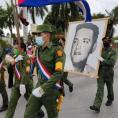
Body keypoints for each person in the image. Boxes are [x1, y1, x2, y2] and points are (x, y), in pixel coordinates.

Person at [24, 24, 65, 118]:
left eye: (39, 34)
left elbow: (58, 73)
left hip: (51, 88)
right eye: (35, 35)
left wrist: (43, 88)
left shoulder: (57, 50)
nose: (36, 37)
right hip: (39, 85)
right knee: (28, 113)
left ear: (47, 35)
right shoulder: (38, 50)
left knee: (52, 115)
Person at [5, 42, 33, 118]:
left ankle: (39, 112)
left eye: (16, 48)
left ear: (22, 49)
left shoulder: (26, 57)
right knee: (11, 104)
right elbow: (8, 67)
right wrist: (15, 60)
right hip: (16, 84)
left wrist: (23, 84)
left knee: (32, 103)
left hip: (25, 84)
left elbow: (26, 72)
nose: (15, 50)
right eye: (15, 48)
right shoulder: (16, 56)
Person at [90, 37, 117, 113]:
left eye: (106, 41)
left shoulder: (113, 51)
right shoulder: (100, 51)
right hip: (100, 73)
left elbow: (112, 62)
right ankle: (97, 106)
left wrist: (102, 60)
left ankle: (110, 98)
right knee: (100, 89)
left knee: (109, 87)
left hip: (109, 73)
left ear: (109, 42)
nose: (104, 42)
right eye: (103, 41)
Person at [0, 46, 8, 112]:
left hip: (0, 70)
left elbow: (3, 60)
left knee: (2, 88)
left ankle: (5, 105)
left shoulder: (1, 49)